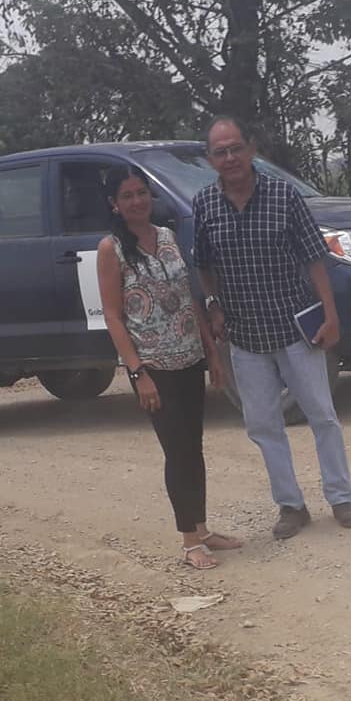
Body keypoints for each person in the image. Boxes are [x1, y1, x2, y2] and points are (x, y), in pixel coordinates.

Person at [193, 116, 351, 540]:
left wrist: (331, 315)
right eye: (220, 152)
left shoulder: (283, 195)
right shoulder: (205, 205)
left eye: (236, 148)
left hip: (295, 327)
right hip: (244, 335)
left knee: (322, 415)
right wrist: (213, 305)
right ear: (210, 159)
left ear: (250, 149)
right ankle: (290, 505)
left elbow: (314, 258)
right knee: (263, 425)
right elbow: (204, 265)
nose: (230, 158)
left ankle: (341, 497)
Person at [96, 164, 242, 569]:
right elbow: (113, 316)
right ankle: (189, 542)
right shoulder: (111, 249)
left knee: (193, 445)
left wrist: (211, 351)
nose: (137, 201)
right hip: (153, 366)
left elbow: (188, 296)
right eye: (127, 196)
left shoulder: (167, 237)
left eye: (141, 193)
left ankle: (202, 528)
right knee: (176, 449)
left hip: (189, 357)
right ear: (114, 203)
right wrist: (137, 372)